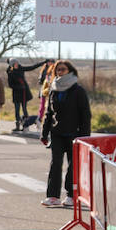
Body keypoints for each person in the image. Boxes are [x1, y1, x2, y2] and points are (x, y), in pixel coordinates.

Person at [40, 60, 91, 208]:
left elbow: (85, 115)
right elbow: (49, 113)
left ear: (70, 71)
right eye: (57, 70)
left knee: (73, 165)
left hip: (74, 134)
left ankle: (71, 195)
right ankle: (53, 196)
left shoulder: (78, 91)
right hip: (57, 133)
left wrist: (85, 136)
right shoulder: (53, 90)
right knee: (55, 164)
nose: (60, 72)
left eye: (63, 69)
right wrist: (44, 133)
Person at [7, 58, 44, 132]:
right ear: (12, 65)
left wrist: (42, 63)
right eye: (15, 64)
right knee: (17, 110)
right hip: (16, 93)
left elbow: (31, 67)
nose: (17, 65)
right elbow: (10, 85)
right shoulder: (10, 73)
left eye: (17, 63)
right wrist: (19, 87)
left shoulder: (21, 68)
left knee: (24, 109)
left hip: (24, 93)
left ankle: (26, 125)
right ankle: (17, 126)